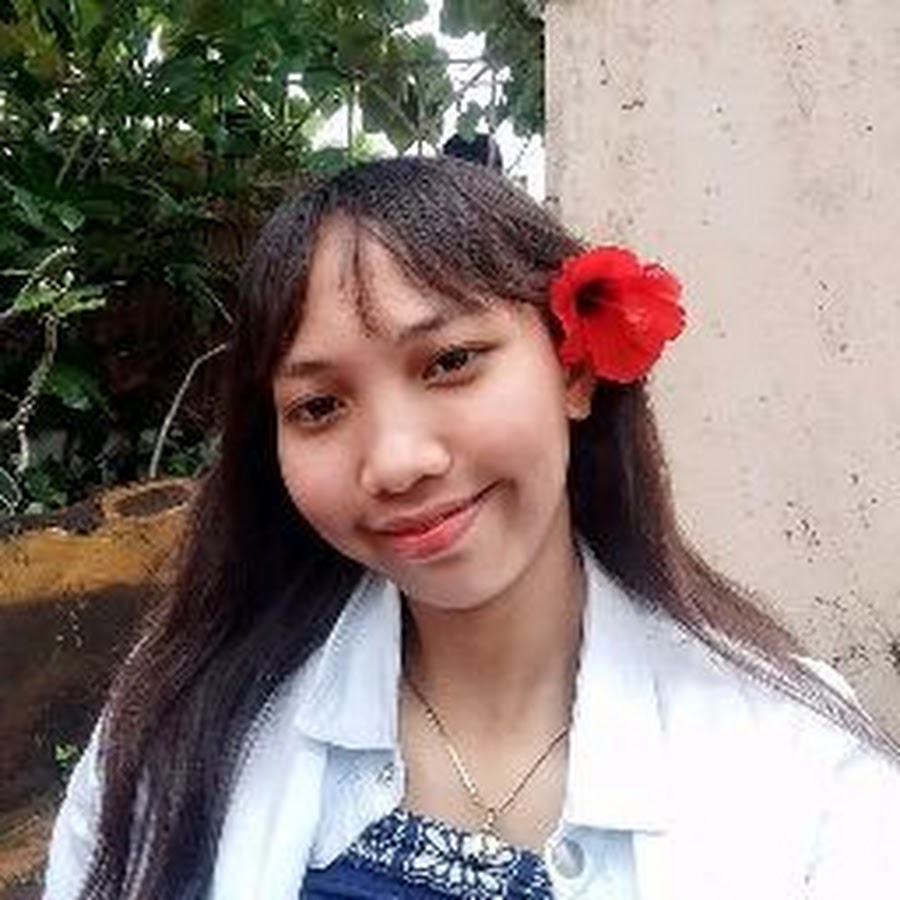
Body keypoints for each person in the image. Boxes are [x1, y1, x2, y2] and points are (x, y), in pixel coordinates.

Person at [45, 157, 900, 900]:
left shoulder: (805, 765)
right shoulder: (173, 728)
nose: (397, 462)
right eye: (319, 406)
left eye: (450, 362)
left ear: (572, 371)